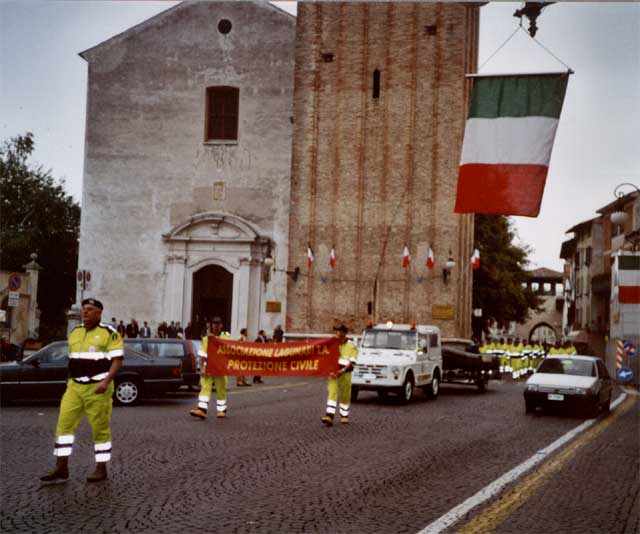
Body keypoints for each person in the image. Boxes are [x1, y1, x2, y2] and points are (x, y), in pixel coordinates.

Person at [40, 298, 123, 483]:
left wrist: (106, 381)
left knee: (100, 429)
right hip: (74, 387)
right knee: (64, 425)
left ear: (99, 313)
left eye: (90, 309)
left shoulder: (109, 333)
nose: (85, 312)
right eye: (84, 309)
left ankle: (101, 468)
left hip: (98, 388)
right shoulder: (75, 332)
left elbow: (117, 360)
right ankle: (61, 466)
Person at [190, 316, 231, 420]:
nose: (216, 326)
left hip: (221, 368)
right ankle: (202, 410)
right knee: (205, 388)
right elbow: (201, 355)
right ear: (211, 325)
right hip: (208, 367)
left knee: (221, 389)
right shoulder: (206, 339)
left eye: (218, 324)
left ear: (221, 325)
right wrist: (202, 369)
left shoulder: (226, 337)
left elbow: (231, 351)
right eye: (214, 324)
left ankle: (221, 410)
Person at [321, 324, 358, 426]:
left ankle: (344, 415)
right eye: (336, 331)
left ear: (345, 333)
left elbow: (352, 361)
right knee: (332, 393)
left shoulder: (352, 345)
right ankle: (329, 416)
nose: (338, 333)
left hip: (345, 373)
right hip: (333, 373)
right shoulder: (332, 343)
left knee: (345, 395)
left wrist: (342, 370)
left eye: (340, 331)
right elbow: (326, 356)